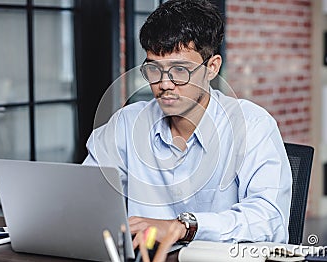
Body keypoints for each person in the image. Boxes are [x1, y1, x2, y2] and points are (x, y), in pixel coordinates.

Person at [83, 0, 292, 246]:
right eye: (154, 69)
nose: (164, 84)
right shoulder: (126, 124)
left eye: (180, 70)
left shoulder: (252, 125)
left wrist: (184, 228)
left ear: (212, 68)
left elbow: (269, 220)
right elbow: (84, 199)